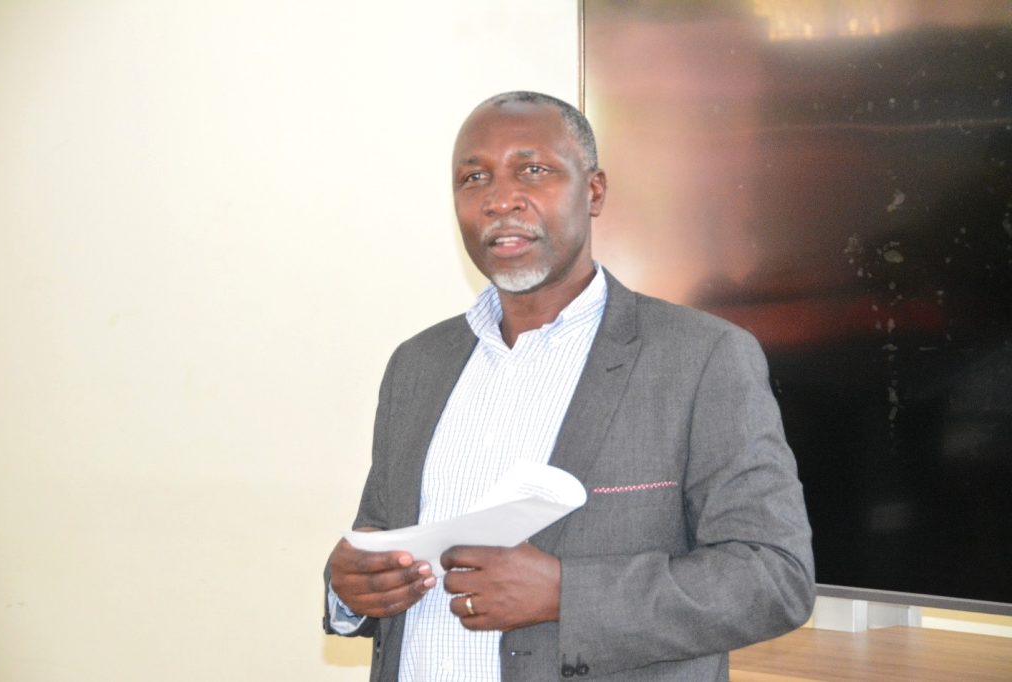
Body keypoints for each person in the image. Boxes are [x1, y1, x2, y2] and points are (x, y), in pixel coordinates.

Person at [324, 91, 815, 681]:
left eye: (533, 170)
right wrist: (350, 590)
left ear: (595, 191)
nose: (501, 198)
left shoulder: (701, 358)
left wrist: (566, 593)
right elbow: (378, 538)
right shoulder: (417, 365)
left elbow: (774, 577)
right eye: (474, 178)